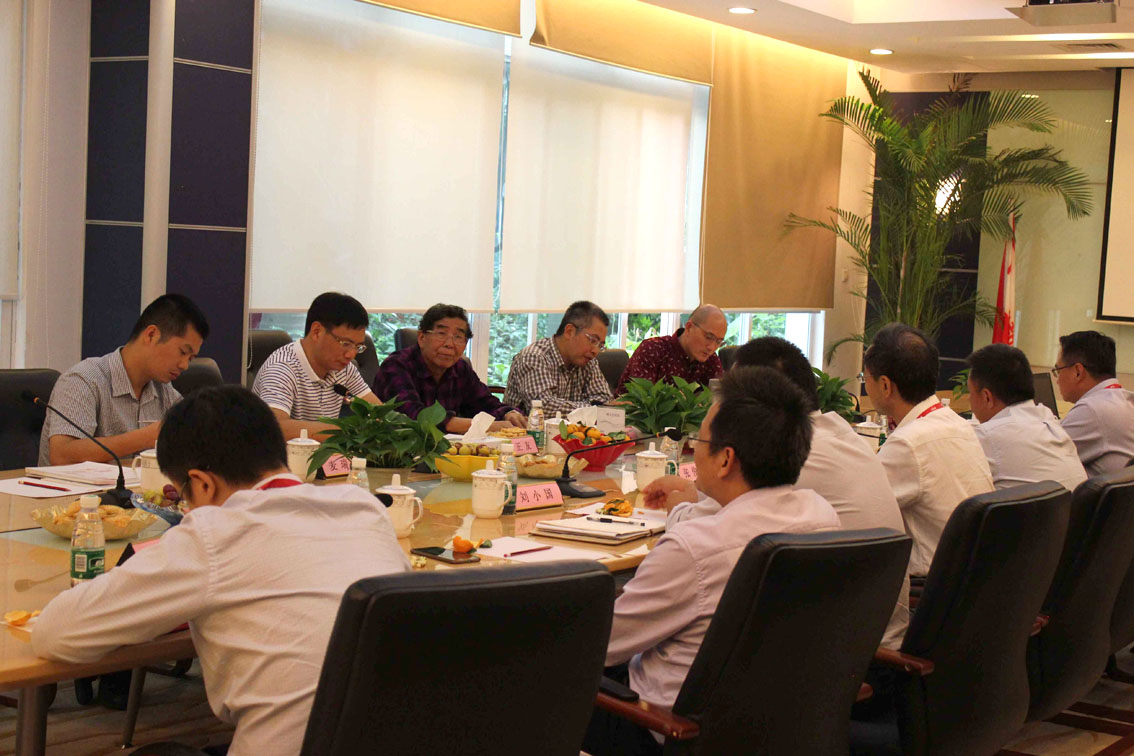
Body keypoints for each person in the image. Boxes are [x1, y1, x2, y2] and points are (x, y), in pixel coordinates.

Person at [33, 385, 409, 756]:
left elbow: (55, 633)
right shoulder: (363, 508)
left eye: (183, 495)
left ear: (202, 483)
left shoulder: (213, 533)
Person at [583, 367, 839, 756]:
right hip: (780, 729)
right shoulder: (822, 516)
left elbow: (597, 647)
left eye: (700, 440)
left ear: (725, 460)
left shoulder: (694, 549)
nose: (695, 448)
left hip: (665, 731)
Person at [643, 336, 909, 649]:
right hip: (848, 640)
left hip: (845, 650)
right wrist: (691, 487)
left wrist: (678, 505)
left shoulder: (788, 454)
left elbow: (701, 531)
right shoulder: (841, 436)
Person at [863, 323, 993, 577]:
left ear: (885, 386)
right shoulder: (958, 424)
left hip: (929, 584)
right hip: (971, 576)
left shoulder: (908, 443)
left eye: (865, 378)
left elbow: (862, 510)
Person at [39, 293, 209, 465]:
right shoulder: (84, 379)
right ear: (151, 335)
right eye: (183, 352)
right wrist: (147, 437)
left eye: (190, 358)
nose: (184, 365)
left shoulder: (166, 394)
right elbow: (62, 456)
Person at [252, 292, 382, 439]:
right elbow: (276, 427)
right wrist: (349, 432)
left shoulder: (343, 368)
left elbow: (379, 412)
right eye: (345, 344)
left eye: (357, 347)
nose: (351, 355)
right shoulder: (281, 368)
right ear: (317, 332)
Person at [378, 304, 525, 433]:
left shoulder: (460, 368)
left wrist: (508, 413)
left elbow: (485, 403)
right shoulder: (396, 366)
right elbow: (412, 417)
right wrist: (484, 426)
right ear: (422, 338)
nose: (449, 344)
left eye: (458, 337)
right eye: (441, 334)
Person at [967, 344, 1086, 492]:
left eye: (970, 393)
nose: (969, 400)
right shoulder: (1049, 420)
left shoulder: (986, 436)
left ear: (987, 397)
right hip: (1074, 506)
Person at [504, 301, 614, 414]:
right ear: (569, 331)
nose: (595, 351)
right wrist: (594, 409)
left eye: (600, 345)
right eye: (593, 340)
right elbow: (544, 408)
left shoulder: (588, 362)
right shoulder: (534, 357)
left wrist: (597, 408)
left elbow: (605, 401)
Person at [1054, 330, 1134, 475]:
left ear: (1078, 371)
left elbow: (1044, 455)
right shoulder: (1121, 399)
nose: (1057, 380)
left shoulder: (1092, 410)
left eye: (1058, 371)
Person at [615, 304, 726, 393]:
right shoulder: (652, 350)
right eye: (708, 337)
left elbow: (719, 403)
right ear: (689, 327)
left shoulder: (711, 361)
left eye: (718, 341)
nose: (712, 347)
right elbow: (643, 401)